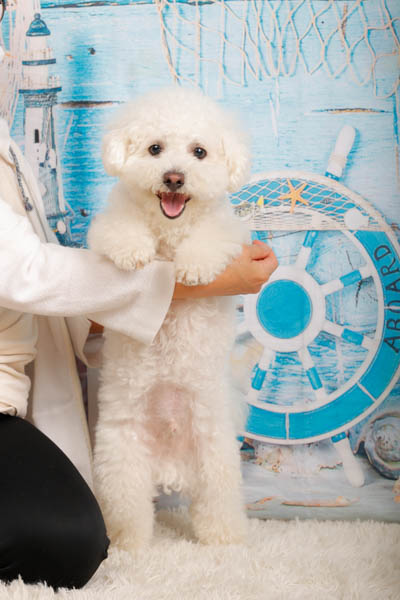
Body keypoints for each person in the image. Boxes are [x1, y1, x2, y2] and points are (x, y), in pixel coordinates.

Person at [0, 3, 278, 589]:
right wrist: (210, 281)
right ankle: (129, 528)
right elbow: (31, 269)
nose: (174, 171)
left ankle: (222, 524)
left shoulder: (11, 152)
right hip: (118, 379)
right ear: (128, 153)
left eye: (197, 154)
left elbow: (63, 280)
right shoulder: (121, 222)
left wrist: (200, 272)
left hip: (186, 375)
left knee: (211, 424)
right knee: (119, 441)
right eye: (155, 151)